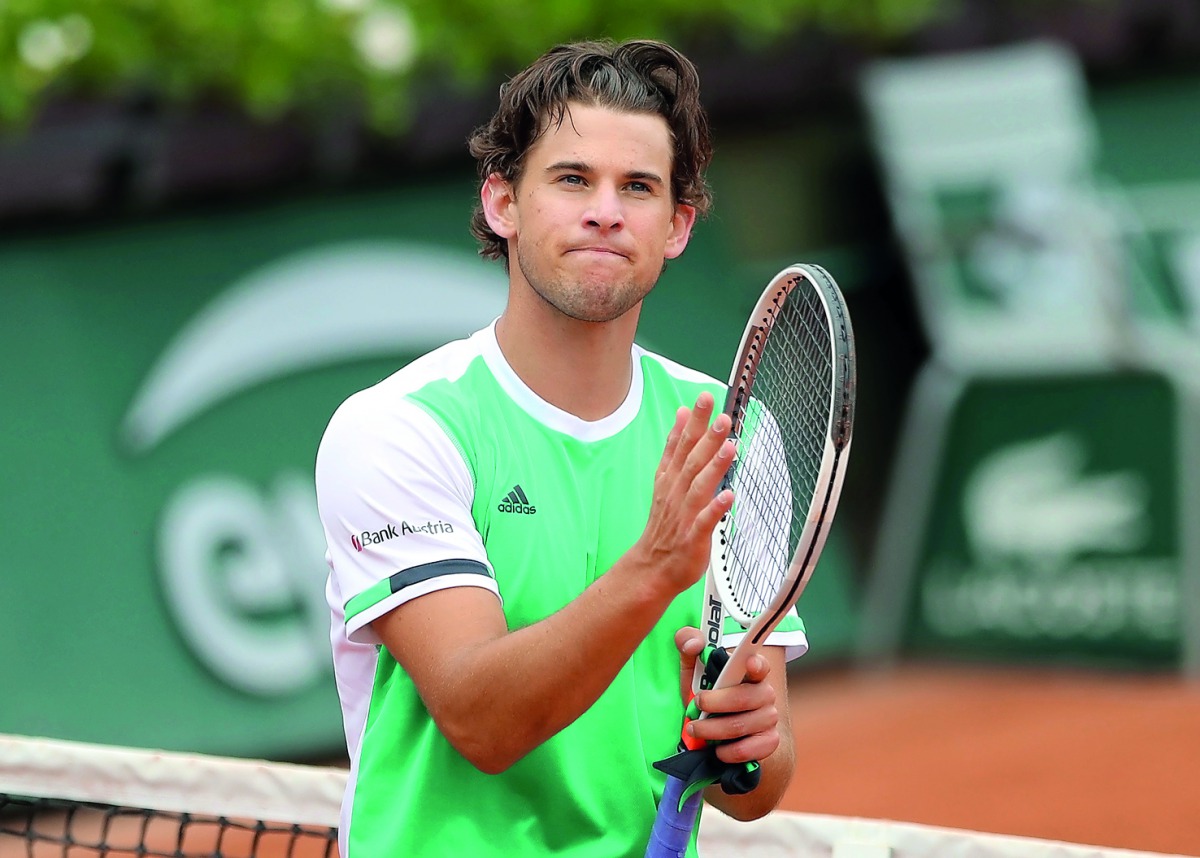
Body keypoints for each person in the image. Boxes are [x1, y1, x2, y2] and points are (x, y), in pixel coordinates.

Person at [314, 38, 807, 858]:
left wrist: (752, 747)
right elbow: (482, 720)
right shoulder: (400, 428)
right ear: (503, 203)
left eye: (639, 188)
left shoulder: (734, 430)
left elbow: (761, 782)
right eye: (573, 178)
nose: (606, 211)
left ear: (677, 226)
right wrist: (655, 569)